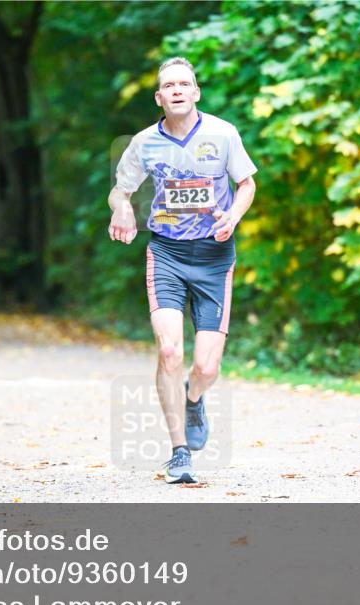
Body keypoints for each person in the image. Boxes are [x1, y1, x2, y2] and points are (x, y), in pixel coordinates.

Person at [108, 57, 257, 484]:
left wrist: (234, 215)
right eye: (168, 85)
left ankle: (194, 398)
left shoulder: (223, 134)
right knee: (170, 350)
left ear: (195, 93)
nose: (176, 89)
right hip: (167, 255)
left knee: (206, 367)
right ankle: (178, 452)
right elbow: (120, 192)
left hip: (214, 257)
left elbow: (246, 183)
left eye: (184, 83)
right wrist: (122, 210)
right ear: (159, 97)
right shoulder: (143, 143)